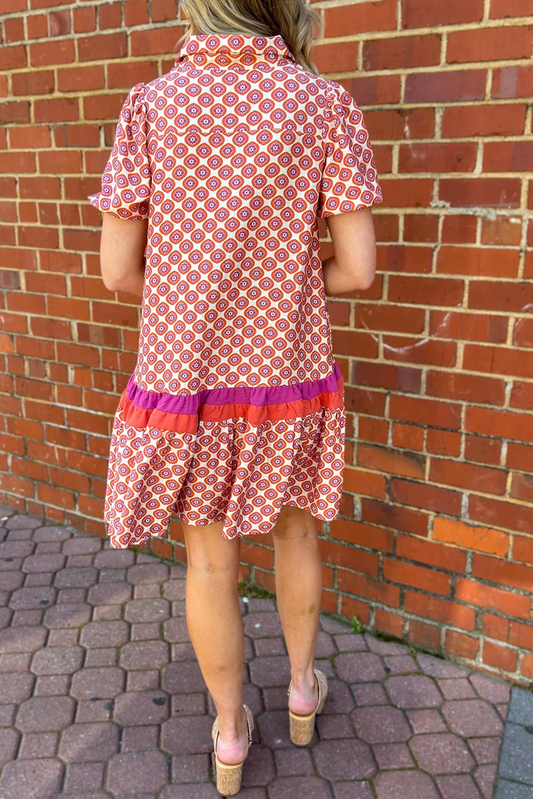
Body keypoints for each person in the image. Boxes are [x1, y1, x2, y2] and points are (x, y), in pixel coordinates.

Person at [88, 0, 382, 793]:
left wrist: (197, 298)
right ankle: (301, 689)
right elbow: (357, 269)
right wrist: (276, 289)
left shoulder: (152, 105)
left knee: (210, 558)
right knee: (296, 531)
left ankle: (228, 731)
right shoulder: (323, 103)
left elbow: (117, 271)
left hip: (187, 379)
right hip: (287, 369)